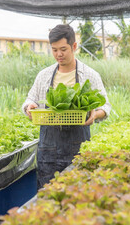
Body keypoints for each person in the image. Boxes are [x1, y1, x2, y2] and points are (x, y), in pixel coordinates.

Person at [21, 24, 111, 189]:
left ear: (74, 46)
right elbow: (29, 99)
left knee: (78, 195)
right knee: (48, 197)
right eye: (54, 50)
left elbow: (105, 106)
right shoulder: (44, 75)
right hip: (48, 149)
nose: (59, 54)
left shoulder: (90, 75)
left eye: (63, 49)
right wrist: (29, 106)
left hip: (79, 147)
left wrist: (95, 115)